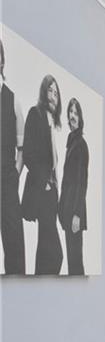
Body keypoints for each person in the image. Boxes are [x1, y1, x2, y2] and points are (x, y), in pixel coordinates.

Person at [22, 74, 63, 274]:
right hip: (41, 190)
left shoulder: (52, 124)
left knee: (45, 246)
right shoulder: (35, 114)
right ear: (43, 91)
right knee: (56, 253)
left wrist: (54, 186)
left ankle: (40, 286)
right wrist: (45, 182)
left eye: (56, 93)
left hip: (52, 191)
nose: (53, 96)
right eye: (50, 90)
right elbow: (28, 153)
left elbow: (53, 162)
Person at [0, 37, 26, 274]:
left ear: (2, 61)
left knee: (14, 245)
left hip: (6, 179)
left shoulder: (12, 99)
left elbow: (22, 148)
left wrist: (14, 175)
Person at [59, 98, 88, 275]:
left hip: (75, 212)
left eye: (76, 112)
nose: (72, 116)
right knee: (72, 260)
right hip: (67, 209)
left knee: (75, 262)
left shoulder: (81, 145)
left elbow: (82, 182)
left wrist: (77, 214)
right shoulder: (71, 142)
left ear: (80, 117)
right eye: (70, 112)